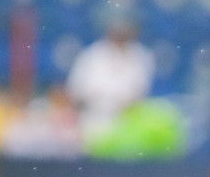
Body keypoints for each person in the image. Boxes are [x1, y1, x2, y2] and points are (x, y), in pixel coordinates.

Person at [66, 15, 154, 143]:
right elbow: (75, 91)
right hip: (91, 120)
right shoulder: (91, 55)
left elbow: (139, 94)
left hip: (128, 124)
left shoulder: (142, 56)